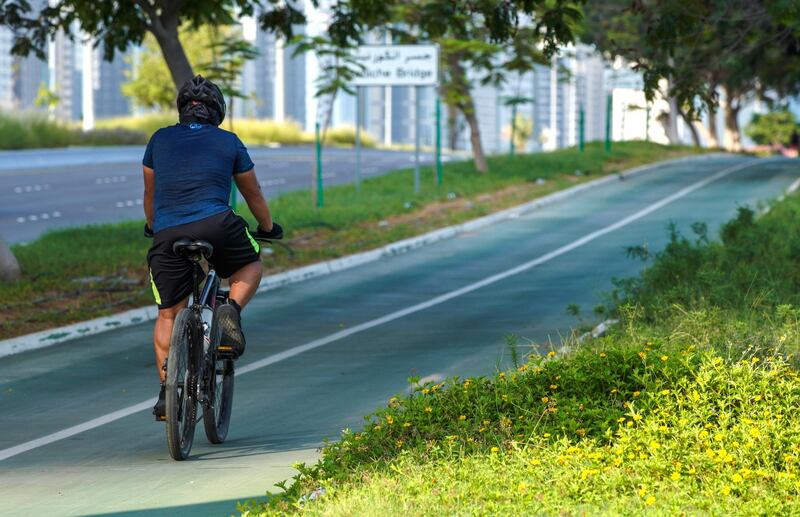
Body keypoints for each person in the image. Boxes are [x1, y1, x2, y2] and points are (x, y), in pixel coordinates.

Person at [142, 75, 282, 420]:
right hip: (216, 225)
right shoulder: (229, 142)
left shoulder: (159, 139)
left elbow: (150, 194)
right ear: (217, 111)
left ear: (182, 110)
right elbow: (253, 194)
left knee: (167, 314)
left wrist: (152, 226)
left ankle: (166, 393)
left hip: (168, 232)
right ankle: (229, 310)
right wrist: (267, 227)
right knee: (250, 265)